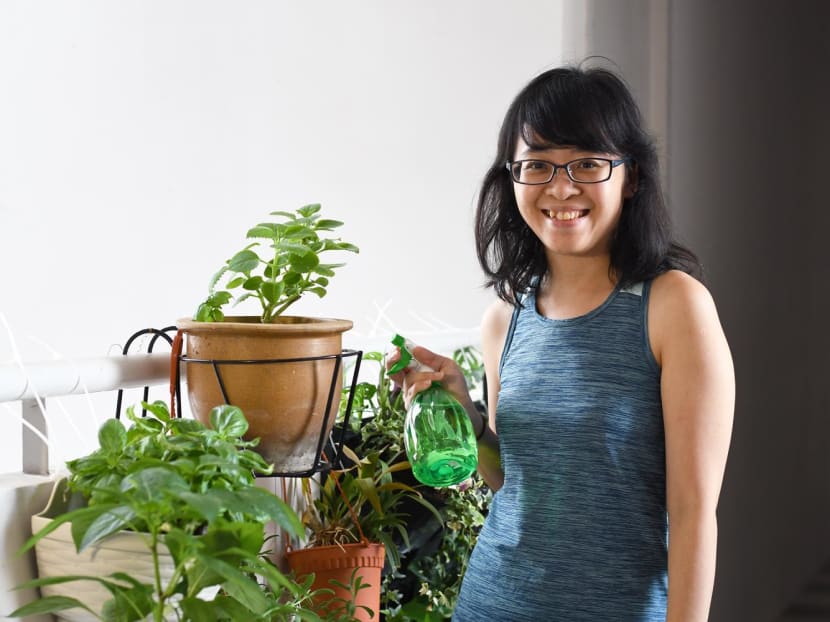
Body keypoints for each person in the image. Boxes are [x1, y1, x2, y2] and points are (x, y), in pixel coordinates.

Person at [387, 62, 735, 621]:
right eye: (538, 166)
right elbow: (510, 478)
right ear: (512, 179)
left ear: (632, 176)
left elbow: (694, 511)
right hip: (491, 603)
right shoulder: (505, 317)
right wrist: (467, 416)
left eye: (587, 163)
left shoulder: (674, 306)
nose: (561, 187)